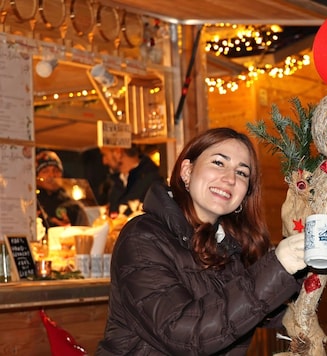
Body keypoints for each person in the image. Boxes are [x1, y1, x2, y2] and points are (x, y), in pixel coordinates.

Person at [96, 128, 307, 355]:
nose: (229, 178)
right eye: (218, 163)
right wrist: (277, 266)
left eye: (242, 173)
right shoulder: (142, 237)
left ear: (244, 196)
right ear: (187, 171)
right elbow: (184, 335)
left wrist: (305, 269)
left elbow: (264, 312)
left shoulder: (230, 247)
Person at [99, 145, 163, 217]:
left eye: (105, 155)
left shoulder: (153, 182)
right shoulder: (116, 182)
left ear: (118, 152)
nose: (104, 161)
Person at [36, 150, 90, 228]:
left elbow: (84, 233)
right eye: (45, 171)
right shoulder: (31, 204)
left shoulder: (74, 207)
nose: (51, 175)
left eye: (56, 170)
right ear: (36, 176)